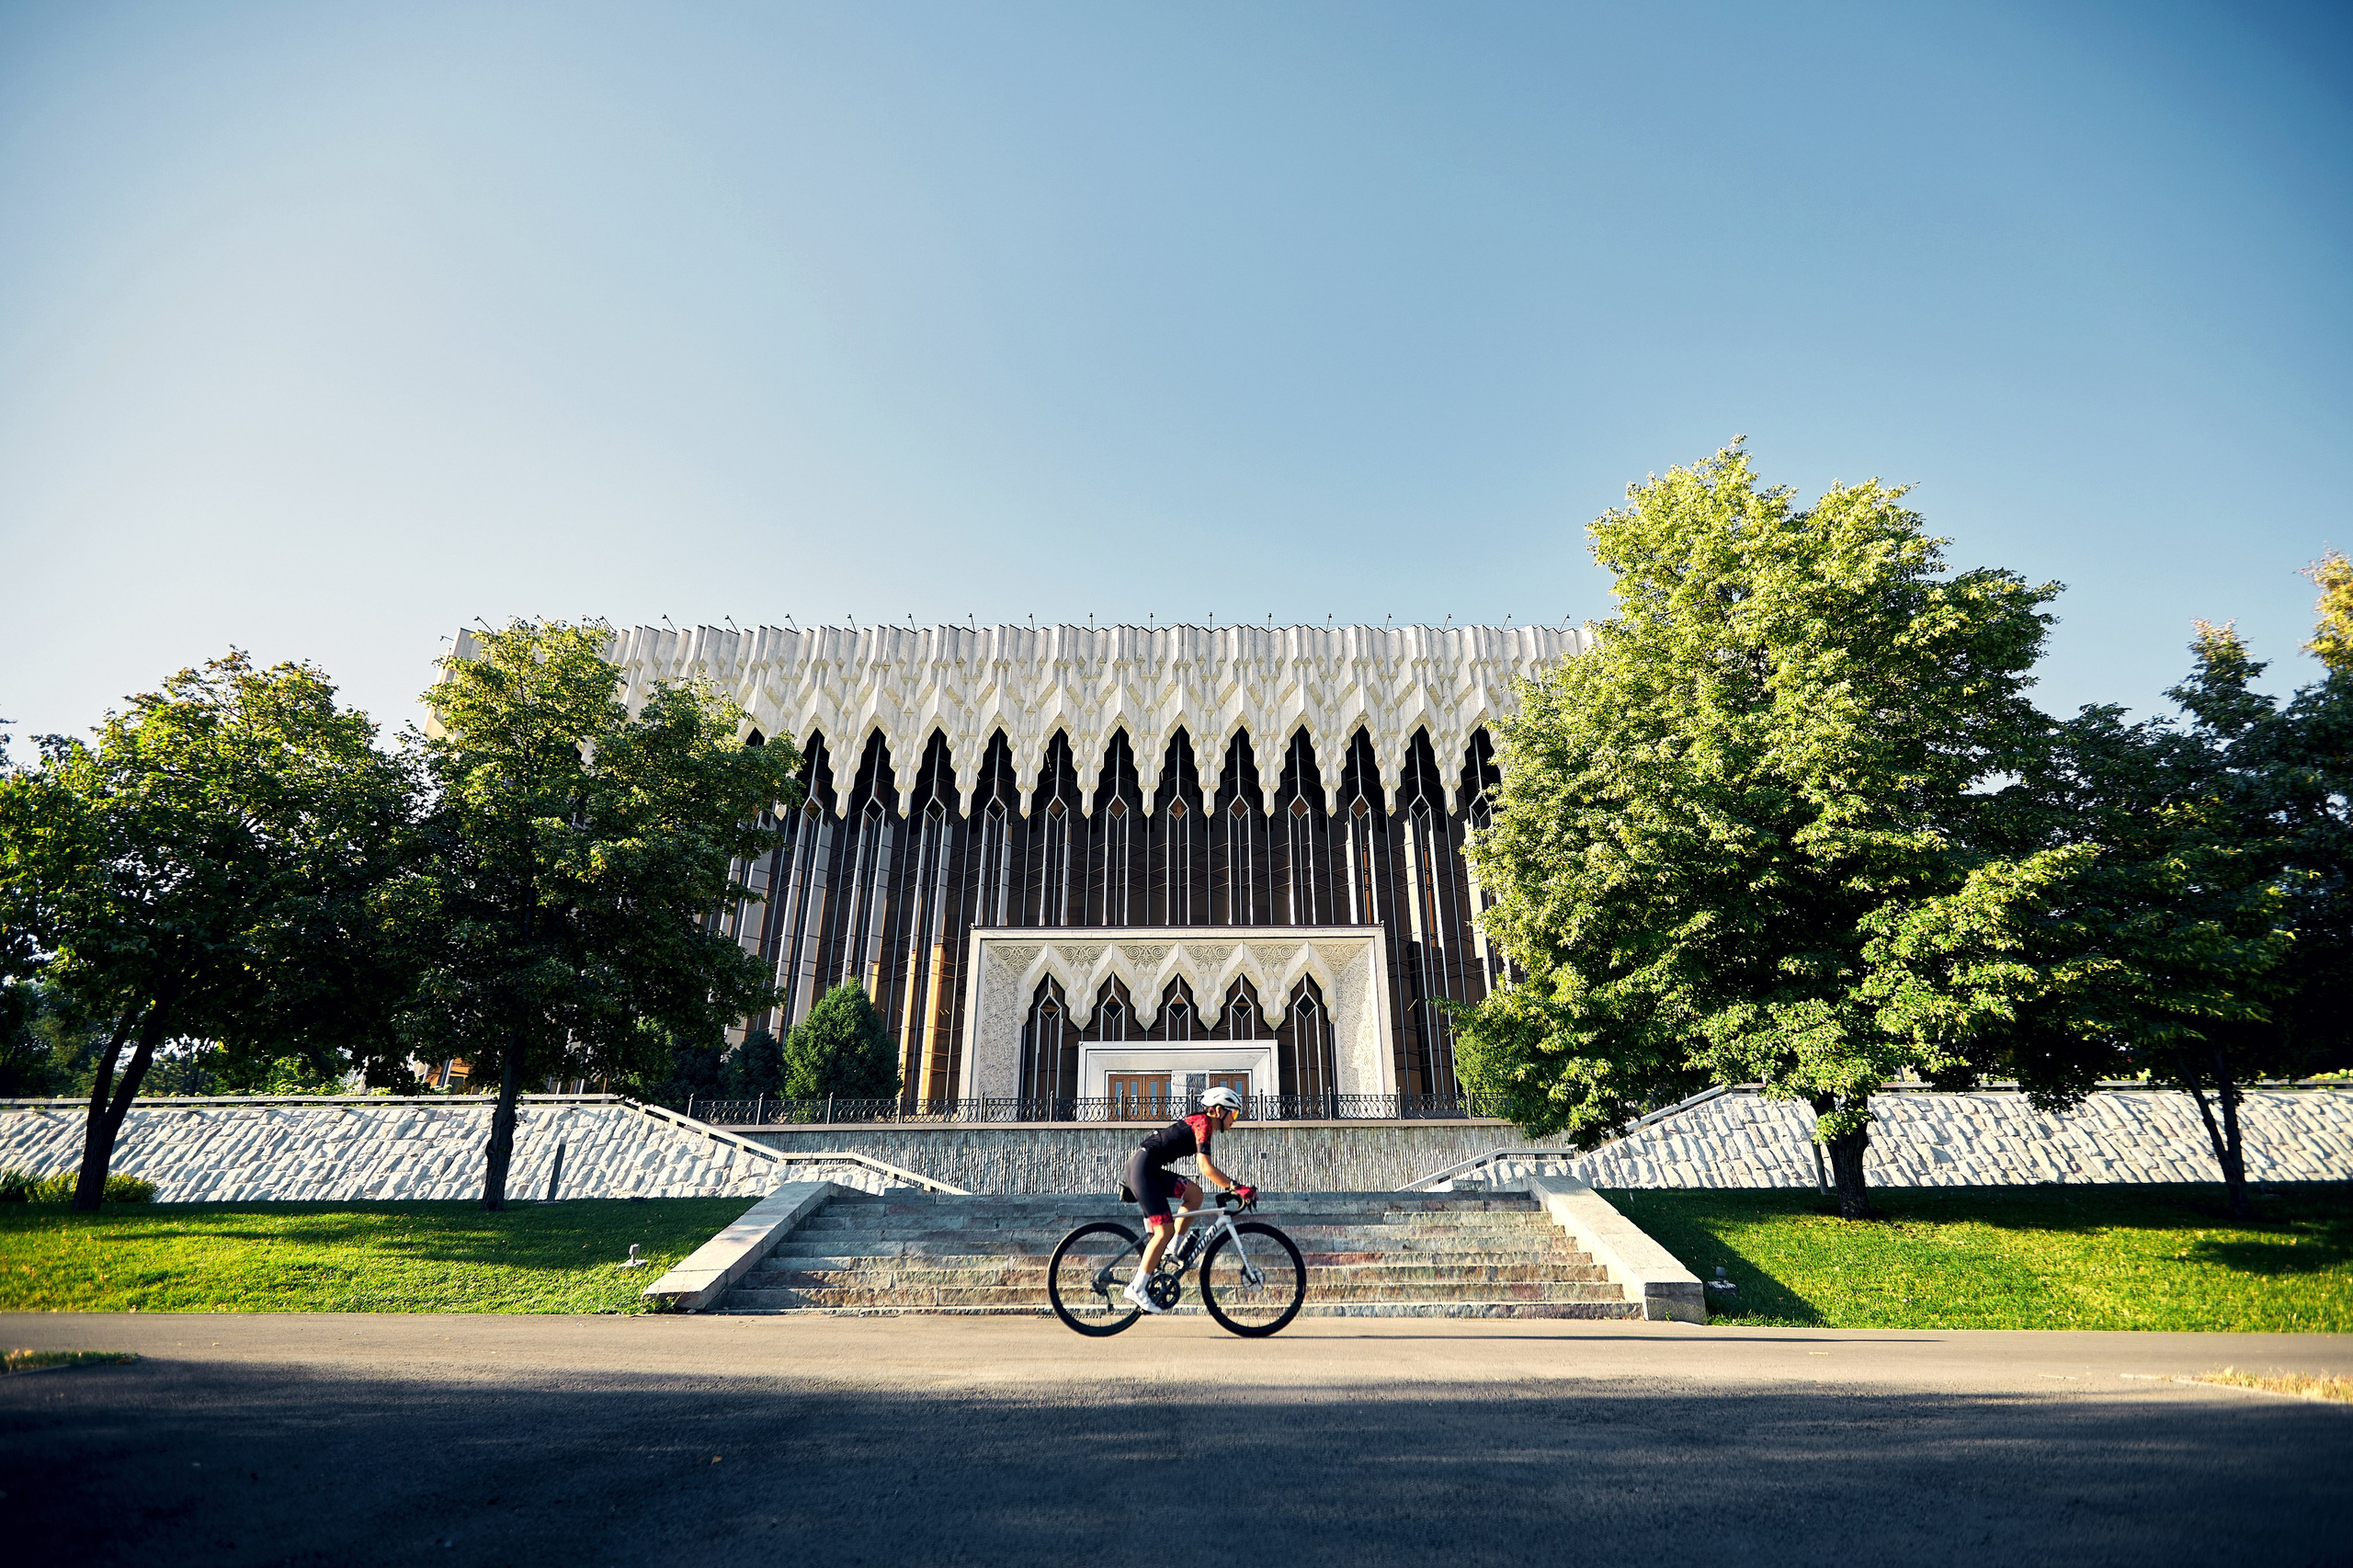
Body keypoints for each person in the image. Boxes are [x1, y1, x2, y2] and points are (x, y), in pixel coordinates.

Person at [1123, 1085, 1256, 1313]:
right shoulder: (1203, 1123)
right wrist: (1236, 1187)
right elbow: (1205, 1166)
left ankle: (1172, 1250)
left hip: (1149, 1169)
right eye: (1233, 1113)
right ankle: (1137, 1287)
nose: (1235, 1119)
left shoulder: (1203, 1124)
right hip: (1142, 1170)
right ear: (1217, 1111)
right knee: (1163, 1231)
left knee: (1195, 1195)